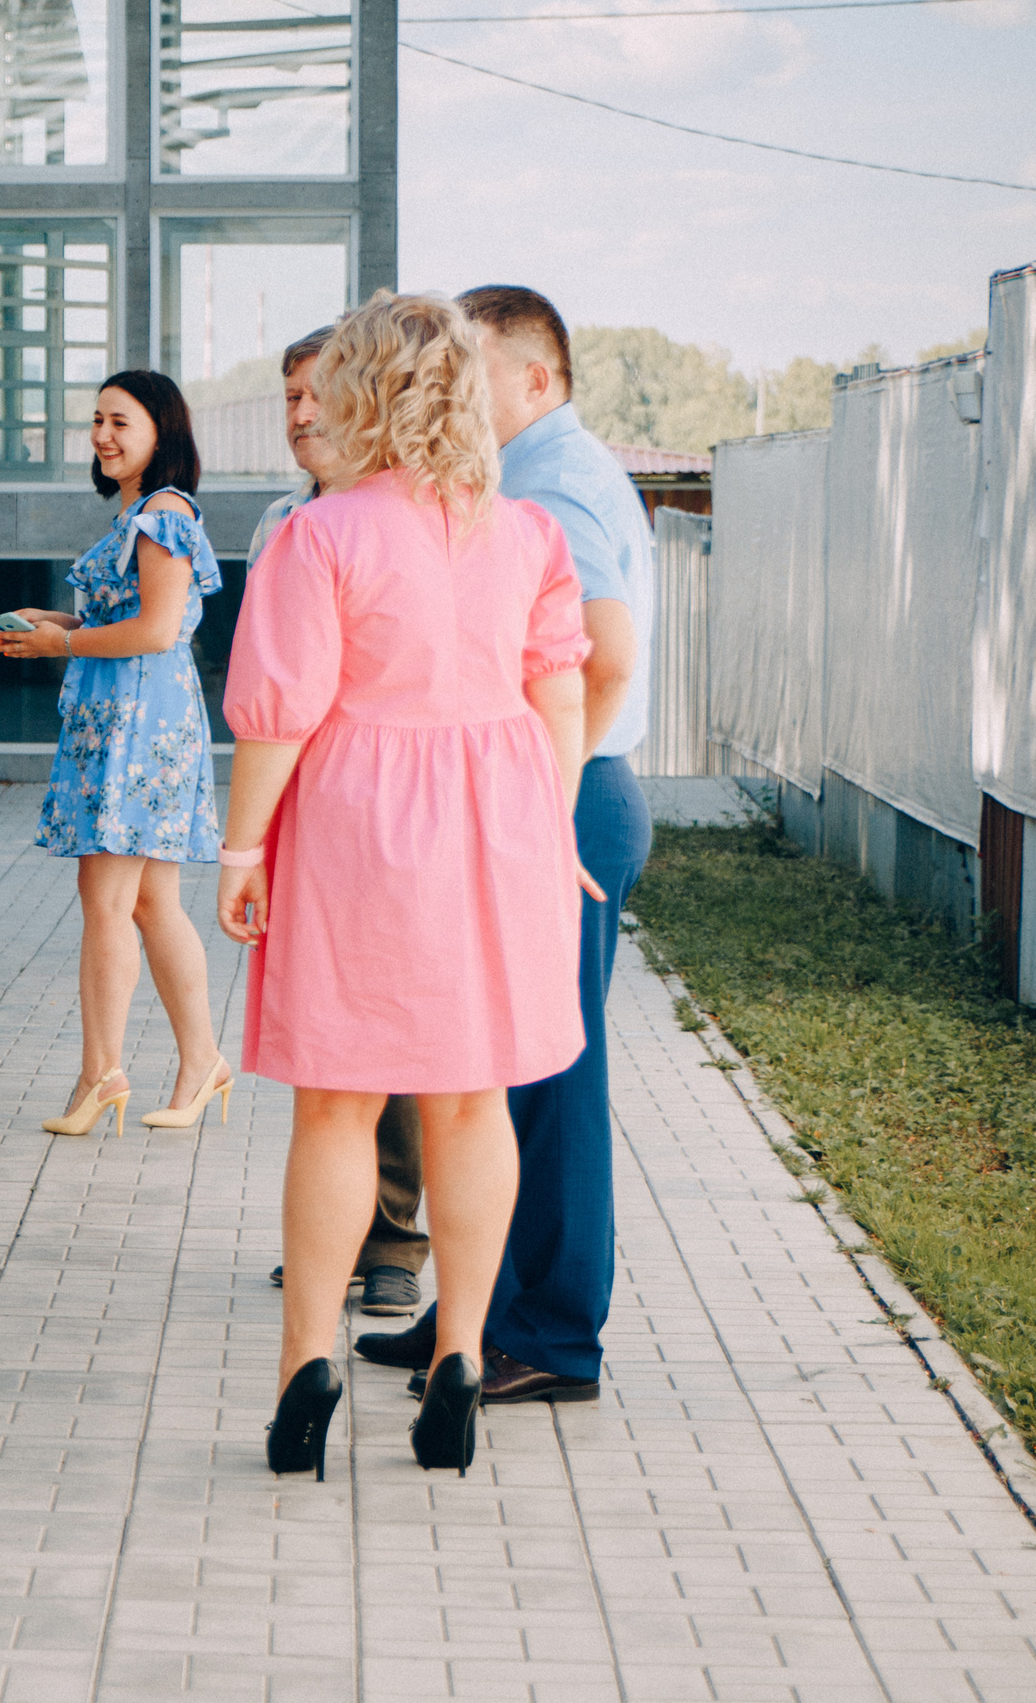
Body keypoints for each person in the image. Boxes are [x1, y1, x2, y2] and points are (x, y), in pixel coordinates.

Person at [216, 291, 596, 1477]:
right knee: (471, 1101)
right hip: (499, 820)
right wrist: (555, 823)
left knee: (334, 1103)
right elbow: (561, 696)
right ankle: (464, 1357)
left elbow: (278, 715)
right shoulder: (528, 534)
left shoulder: (319, 533)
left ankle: (305, 1368)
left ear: (359, 390)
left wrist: (239, 851)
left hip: (356, 821)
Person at [353, 285, 656, 1406]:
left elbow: (603, 658)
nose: (446, 388)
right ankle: (470, 1322)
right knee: (500, 1071)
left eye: (466, 367)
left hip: (560, 796)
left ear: (533, 380)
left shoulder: (556, 488)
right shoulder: (527, 479)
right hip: (551, 792)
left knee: (546, 1082)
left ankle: (548, 1337)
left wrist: (535, 798)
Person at [0, 370, 231, 1140]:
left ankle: (102, 1072)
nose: (101, 435)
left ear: (162, 431)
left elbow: (159, 629)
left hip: (138, 723)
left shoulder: (162, 513)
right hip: (129, 717)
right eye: (96, 420)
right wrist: (53, 619)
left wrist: (61, 640)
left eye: (120, 422)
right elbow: (130, 617)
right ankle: (203, 1061)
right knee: (152, 902)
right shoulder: (140, 510)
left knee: (106, 901)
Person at [250, 328, 429, 1320]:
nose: (302, 416)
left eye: (318, 395)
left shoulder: (404, 519)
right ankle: (337, 1231)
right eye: (288, 400)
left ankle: (396, 1242)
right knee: (324, 1053)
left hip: (392, 818)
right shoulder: (285, 521)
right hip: (310, 823)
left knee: (399, 1049)